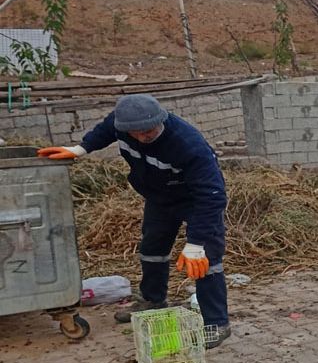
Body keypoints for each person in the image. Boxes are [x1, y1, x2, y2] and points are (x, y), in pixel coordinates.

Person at [37, 94, 231, 349]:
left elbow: (212, 196)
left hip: (196, 200)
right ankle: (153, 300)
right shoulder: (123, 126)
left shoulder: (187, 144)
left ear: (160, 120)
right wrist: (80, 149)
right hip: (160, 198)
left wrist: (196, 244)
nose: (142, 137)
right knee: (152, 250)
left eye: (148, 132)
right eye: (135, 133)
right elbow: (106, 129)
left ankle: (216, 322)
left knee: (206, 261)